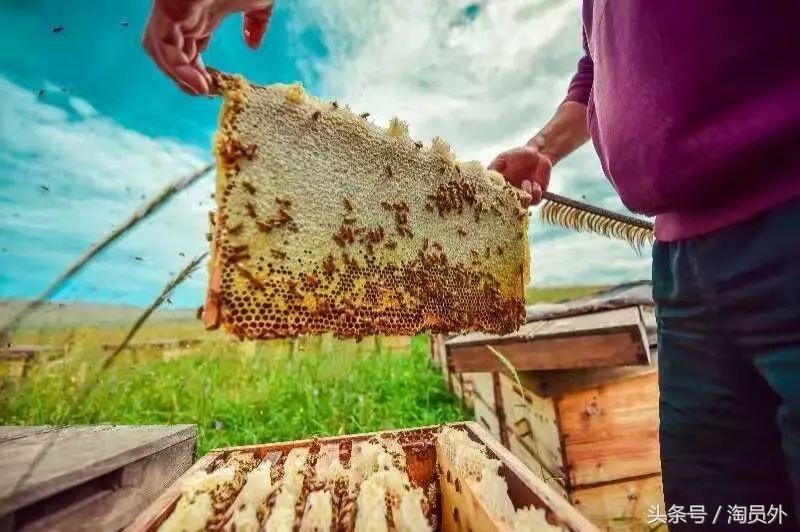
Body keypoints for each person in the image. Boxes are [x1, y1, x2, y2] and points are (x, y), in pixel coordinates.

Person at [145, 1, 800, 528]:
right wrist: (542, 147)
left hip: (786, 216)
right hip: (683, 263)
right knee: (715, 508)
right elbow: (595, 70)